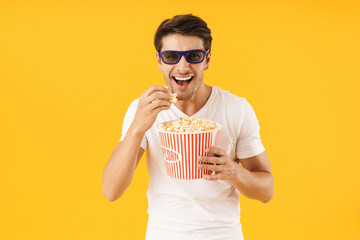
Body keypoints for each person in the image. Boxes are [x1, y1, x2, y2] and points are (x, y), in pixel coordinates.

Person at [102, 14, 274, 240]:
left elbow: (266, 190)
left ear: (207, 59)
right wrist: (137, 128)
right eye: (172, 56)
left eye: (193, 56)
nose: (183, 67)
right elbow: (111, 190)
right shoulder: (144, 108)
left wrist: (235, 172)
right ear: (159, 60)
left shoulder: (236, 109)